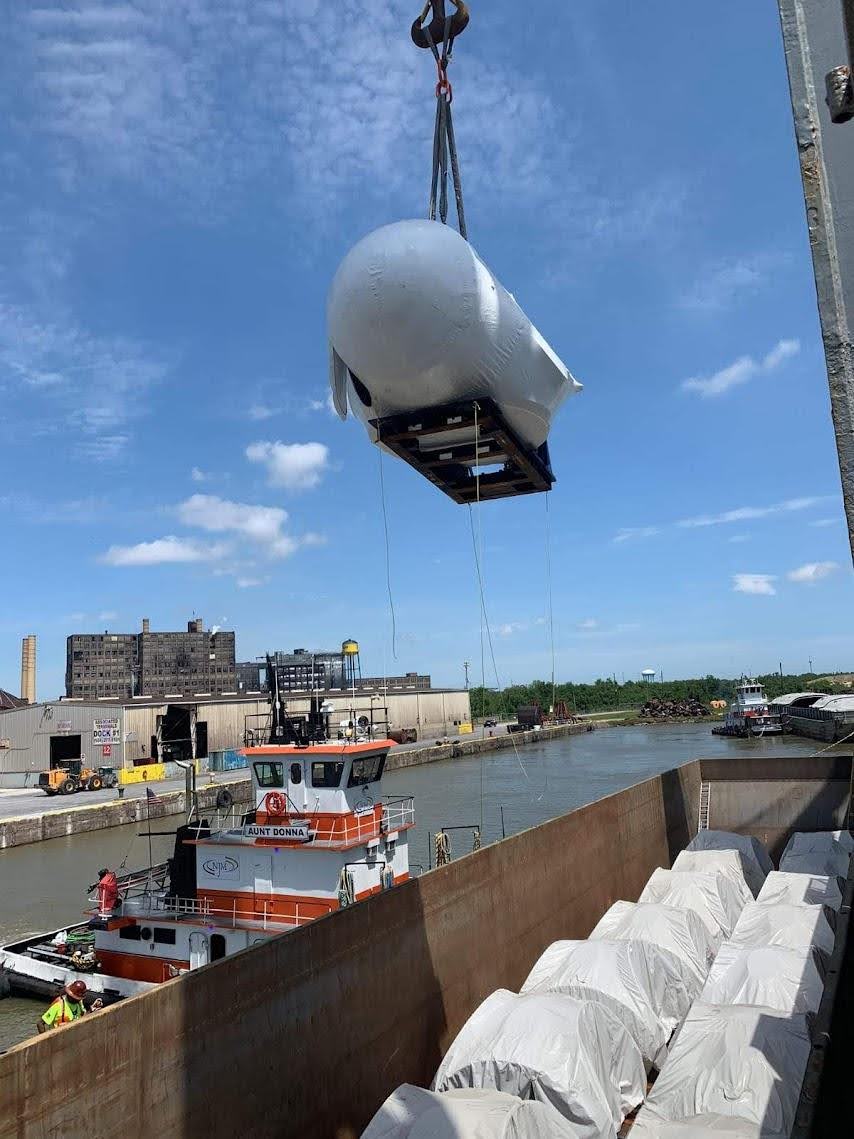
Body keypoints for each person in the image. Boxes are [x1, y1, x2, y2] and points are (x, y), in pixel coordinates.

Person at [38, 979, 102, 1032]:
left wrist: (91, 1011)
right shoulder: (59, 1005)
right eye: (77, 998)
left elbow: (82, 1018)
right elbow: (40, 1024)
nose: (79, 1000)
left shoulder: (79, 1004)